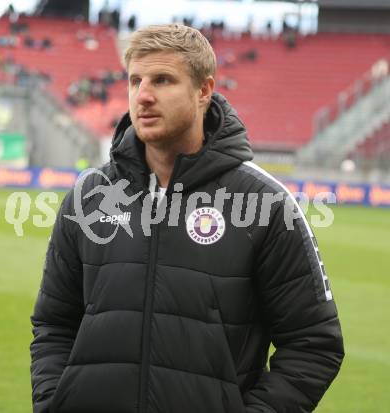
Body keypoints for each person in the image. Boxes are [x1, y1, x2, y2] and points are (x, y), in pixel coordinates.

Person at [30, 24, 344, 413]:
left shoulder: (266, 204)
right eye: (135, 80)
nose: (143, 96)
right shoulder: (89, 196)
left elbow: (314, 343)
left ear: (203, 91)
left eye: (162, 80)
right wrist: (52, 403)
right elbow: (53, 324)